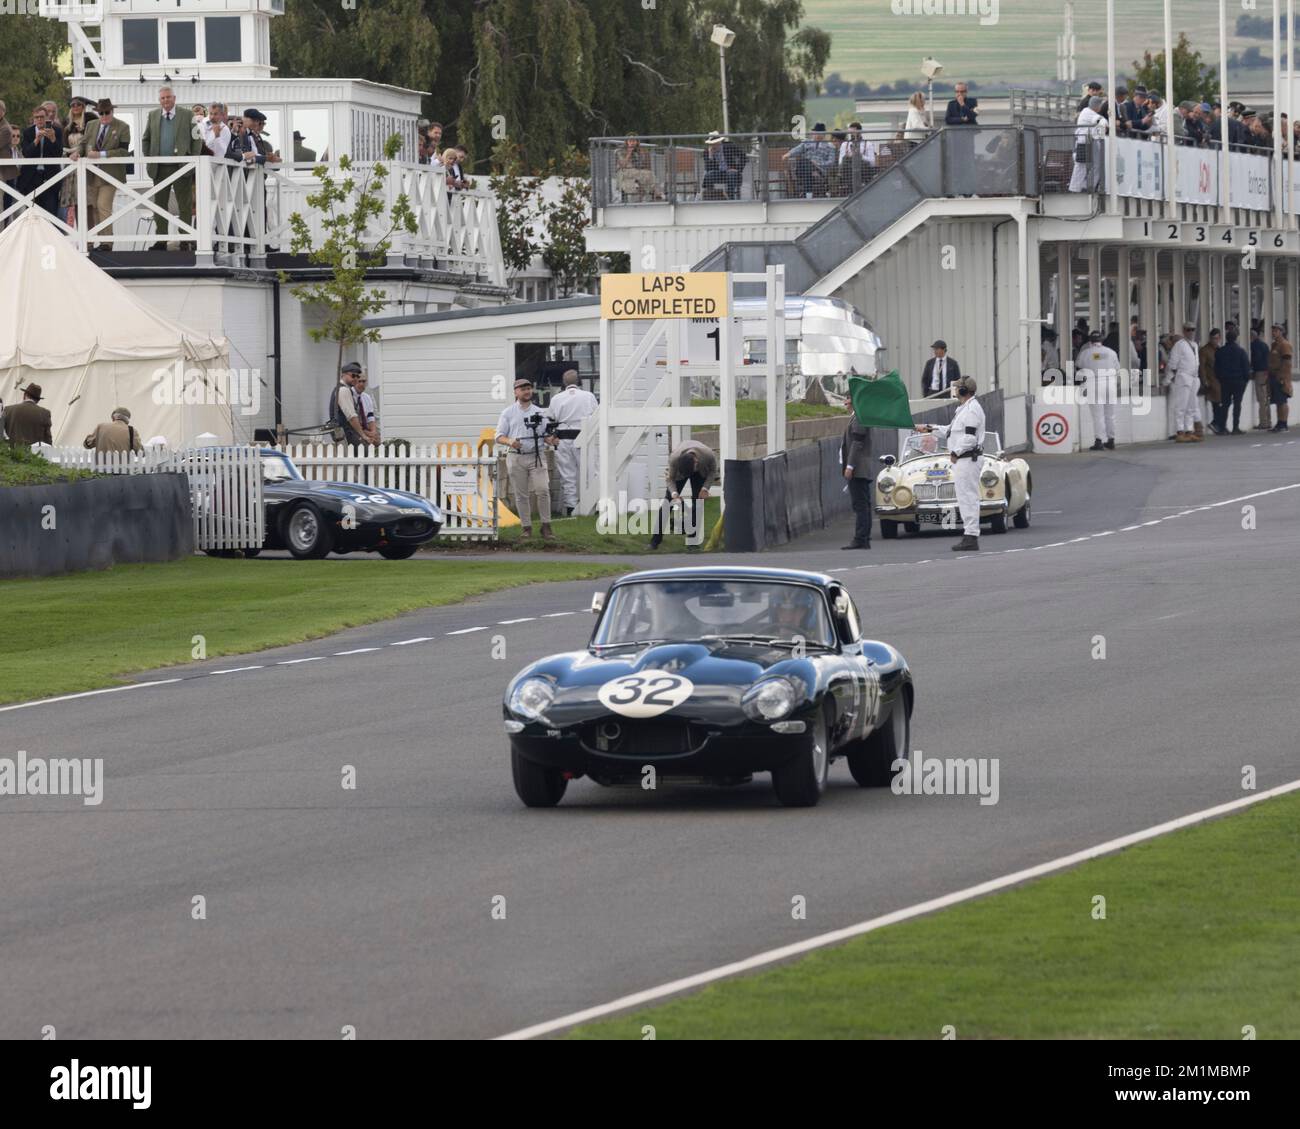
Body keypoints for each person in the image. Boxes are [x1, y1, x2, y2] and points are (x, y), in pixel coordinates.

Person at [915, 376, 984, 551]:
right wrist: (929, 428)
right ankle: (970, 535)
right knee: (964, 496)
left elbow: (969, 437)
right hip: (964, 459)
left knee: (968, 497)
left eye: (957, 388)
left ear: (963, 391)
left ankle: (971, 536)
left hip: (967, 458)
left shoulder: (972, 410)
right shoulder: (963, 409)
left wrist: (955, 452)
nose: (954, 390)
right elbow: (950, 431)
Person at [140, 87, 204, 249]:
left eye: (168, 97)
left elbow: (197, 139)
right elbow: (146, 139)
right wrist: (150, 157)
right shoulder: (153, 115)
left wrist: (192, 159)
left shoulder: (187, 114)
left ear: (174, 98)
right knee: (159, 205)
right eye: (162, 98)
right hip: (159, 168)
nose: (166, 100)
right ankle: (161, 240)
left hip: (181, 167)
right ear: (159, 100)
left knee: (185, 205)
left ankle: (185, 240)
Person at [496, 377, 557, 541]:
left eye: (529, 388)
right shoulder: (508, 412)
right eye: (523, 389)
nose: (527, 391)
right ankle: (526, 527)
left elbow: (546, 436)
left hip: (537, 455)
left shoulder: (539, 412)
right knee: (521, 494)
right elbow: (499, 436)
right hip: (516, 457)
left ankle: (546, 526)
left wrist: (551, 440)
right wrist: (511, 441)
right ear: (516, 392)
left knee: (543, 490)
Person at [73, 100, 131, 250]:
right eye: (101, 113)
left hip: (110, 174)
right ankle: (101, 241)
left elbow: (124, 152)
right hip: (92, 173)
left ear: (112, 112)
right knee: (94, 208)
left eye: (107, 112)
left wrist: (102, 154)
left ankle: (107, 243)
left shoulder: (123, 127)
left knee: (103, 206)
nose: (104, 115)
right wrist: (77, 152)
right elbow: (83, 144)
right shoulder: (91, 125)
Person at [649, 439, 717, 550]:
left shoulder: (708, 455)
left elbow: (713, 471)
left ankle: (692, 542)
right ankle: (654, 542)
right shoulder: (674, 458)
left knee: (698, 504)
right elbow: (670, 479)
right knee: (667, 503)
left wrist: (705, 488)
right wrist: (674, 494)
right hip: (679, 472)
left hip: (700, 472)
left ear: (696, 461)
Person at [547, 369, 597, 516]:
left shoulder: (557, 398)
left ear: (564, 383)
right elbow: (595, 415)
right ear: (579, 381)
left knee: (568, 475)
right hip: (583, 437)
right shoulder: (588, 396)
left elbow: (551, 418)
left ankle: (571, 508)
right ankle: (593, 505)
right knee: (589, 472)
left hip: (563, 439)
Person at [1077, 329, 1121, 450]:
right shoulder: (1111, 352)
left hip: (1094, 384)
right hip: (1110, 383)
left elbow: (1079, 367)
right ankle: (1111, 440)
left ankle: (1099, 441)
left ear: (1090, 341)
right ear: (1102, 340)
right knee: (1110, 414)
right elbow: (1117, 368)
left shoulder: (1085, 353)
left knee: (1098, 415)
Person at [19, 105, 63, 219]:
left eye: (42, 117)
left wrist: (53, 139)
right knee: (32, 215)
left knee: (50, 213)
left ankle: (50, 237)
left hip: (50, 176)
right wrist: (36, 140)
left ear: (47, 117)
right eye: (36, 117)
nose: (39, 120)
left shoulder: (56, 130)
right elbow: (26, 153)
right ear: (33, 119)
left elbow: (58, 154)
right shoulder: (28, 132)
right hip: (31, 178)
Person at [839, 399, 872, 550]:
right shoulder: (857, 416)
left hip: (858, 468)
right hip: (860, 467)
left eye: (847, 400)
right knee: (863, 503)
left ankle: (861, 538)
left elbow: (857, 443)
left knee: (860, 504)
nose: (845, 403)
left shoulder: (859, 418)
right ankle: (863, 537)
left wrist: (850, 466)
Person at [1166, 321, 1203, 443]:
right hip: (1184, 376)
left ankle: (1189, 430)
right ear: (1184, 330)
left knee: (1191, 406)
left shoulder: (1195, 345)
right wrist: (1175, 375)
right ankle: (1180, 431)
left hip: (1193, 377)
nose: (1191, 332)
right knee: (1181, 405)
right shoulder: (1179, 345)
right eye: (1188, 329)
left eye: (1193, 329)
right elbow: (1173, 362)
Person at [1212, 330, 1250, 435]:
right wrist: (1245, 380)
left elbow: (1216, 368)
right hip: (1239, 381)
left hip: (1225, 381)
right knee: (1237, 404)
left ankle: (1222, 427)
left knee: (1225, 404)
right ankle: (1235, 427)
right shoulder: (1241, 351)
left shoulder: (1220, 351)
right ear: (1236, 338)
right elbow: (1246, 368)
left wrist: (1220, 378)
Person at [328, 361, 370, 447]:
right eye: (353, 375)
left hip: (343, 434)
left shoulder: (340, 389)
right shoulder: (343, 390)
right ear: (343, 375)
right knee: (366, 453)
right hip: (347, 434)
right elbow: (351, 417)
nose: (355, 379)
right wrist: (363, 435)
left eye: (357, 376)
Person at [1069, 96, 1106, 192]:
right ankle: (1076, 188)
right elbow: (1103, 122)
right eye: (1100, 104)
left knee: (1092, 165)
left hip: (1087, 142)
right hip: (1084, 142)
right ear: (1096, 105)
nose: (1101, 107)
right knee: (1081, 166)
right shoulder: (1087, 112)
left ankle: (1085, 186)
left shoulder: (1088, 112)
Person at [702, 131, 743, 200]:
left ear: (719, 142)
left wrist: (737, 169)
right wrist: (710, 156)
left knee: (731, 174)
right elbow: (708, 169)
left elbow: (743, 157)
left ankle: (730, 199)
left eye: (714, 143)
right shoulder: (707, 152)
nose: (712, 145)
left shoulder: (729, 146)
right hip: (718, 173)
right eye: (711, 144)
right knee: (708, 175)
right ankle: (711, 197)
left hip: (731, 172)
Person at [615, 134, 657, 201]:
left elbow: (642, 164)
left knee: (650, 174)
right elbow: (623, 164)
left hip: (635, 171)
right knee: (647, 174)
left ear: (637, 142)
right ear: (627, 142)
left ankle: (652, 193)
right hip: (624, 171)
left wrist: (642, 154)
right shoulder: (620, 151)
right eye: (630, 141)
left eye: (634, 141)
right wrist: (629, 152)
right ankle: (655, 193)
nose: (632, 143)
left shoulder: (638, 151)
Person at [1268, 323, 1292, 432]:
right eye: (1273, 331)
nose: (1273, 333)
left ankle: (1284, 423)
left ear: (1281, 332)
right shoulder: (1274, 345)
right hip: (1273, 376)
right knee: (1277, 401)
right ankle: (1279, 422)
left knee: (1282, 401)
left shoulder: (1284, 344)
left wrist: (1282, 376)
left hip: (1281, 376)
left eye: (1276, 331)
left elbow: (1287, 362)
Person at [1198, 328, 1222, 435]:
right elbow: (1202, 367)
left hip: (1220, 379)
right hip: (1212, 380)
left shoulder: (1220, 349)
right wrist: (1204, 380)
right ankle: (1216, 423)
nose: (1215, 341)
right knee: (1216, 402)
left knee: (1221, 402)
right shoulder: (1204, 350)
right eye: (1213, 338)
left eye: (1216, 338)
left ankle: (1217, 423)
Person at [1250, 326, 1272, 430]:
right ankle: (1268, 421)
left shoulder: (1254, 346)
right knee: (1266, 398)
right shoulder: (1264, 345)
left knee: (1261, 399)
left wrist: (1252, 367)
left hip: (1259, 373)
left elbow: (1256, 359)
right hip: (1266, 373)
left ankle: (1263, 422)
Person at [354, 373, 379, 445]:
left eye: (363, 381)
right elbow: (352, 421)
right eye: (359, 381)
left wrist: (373, 432)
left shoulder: (367, 397)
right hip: (355, 431)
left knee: (378, 442)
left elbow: (370, 417)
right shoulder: (350, 396)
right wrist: (367, 433)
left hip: (366, 430)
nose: (361, 384)